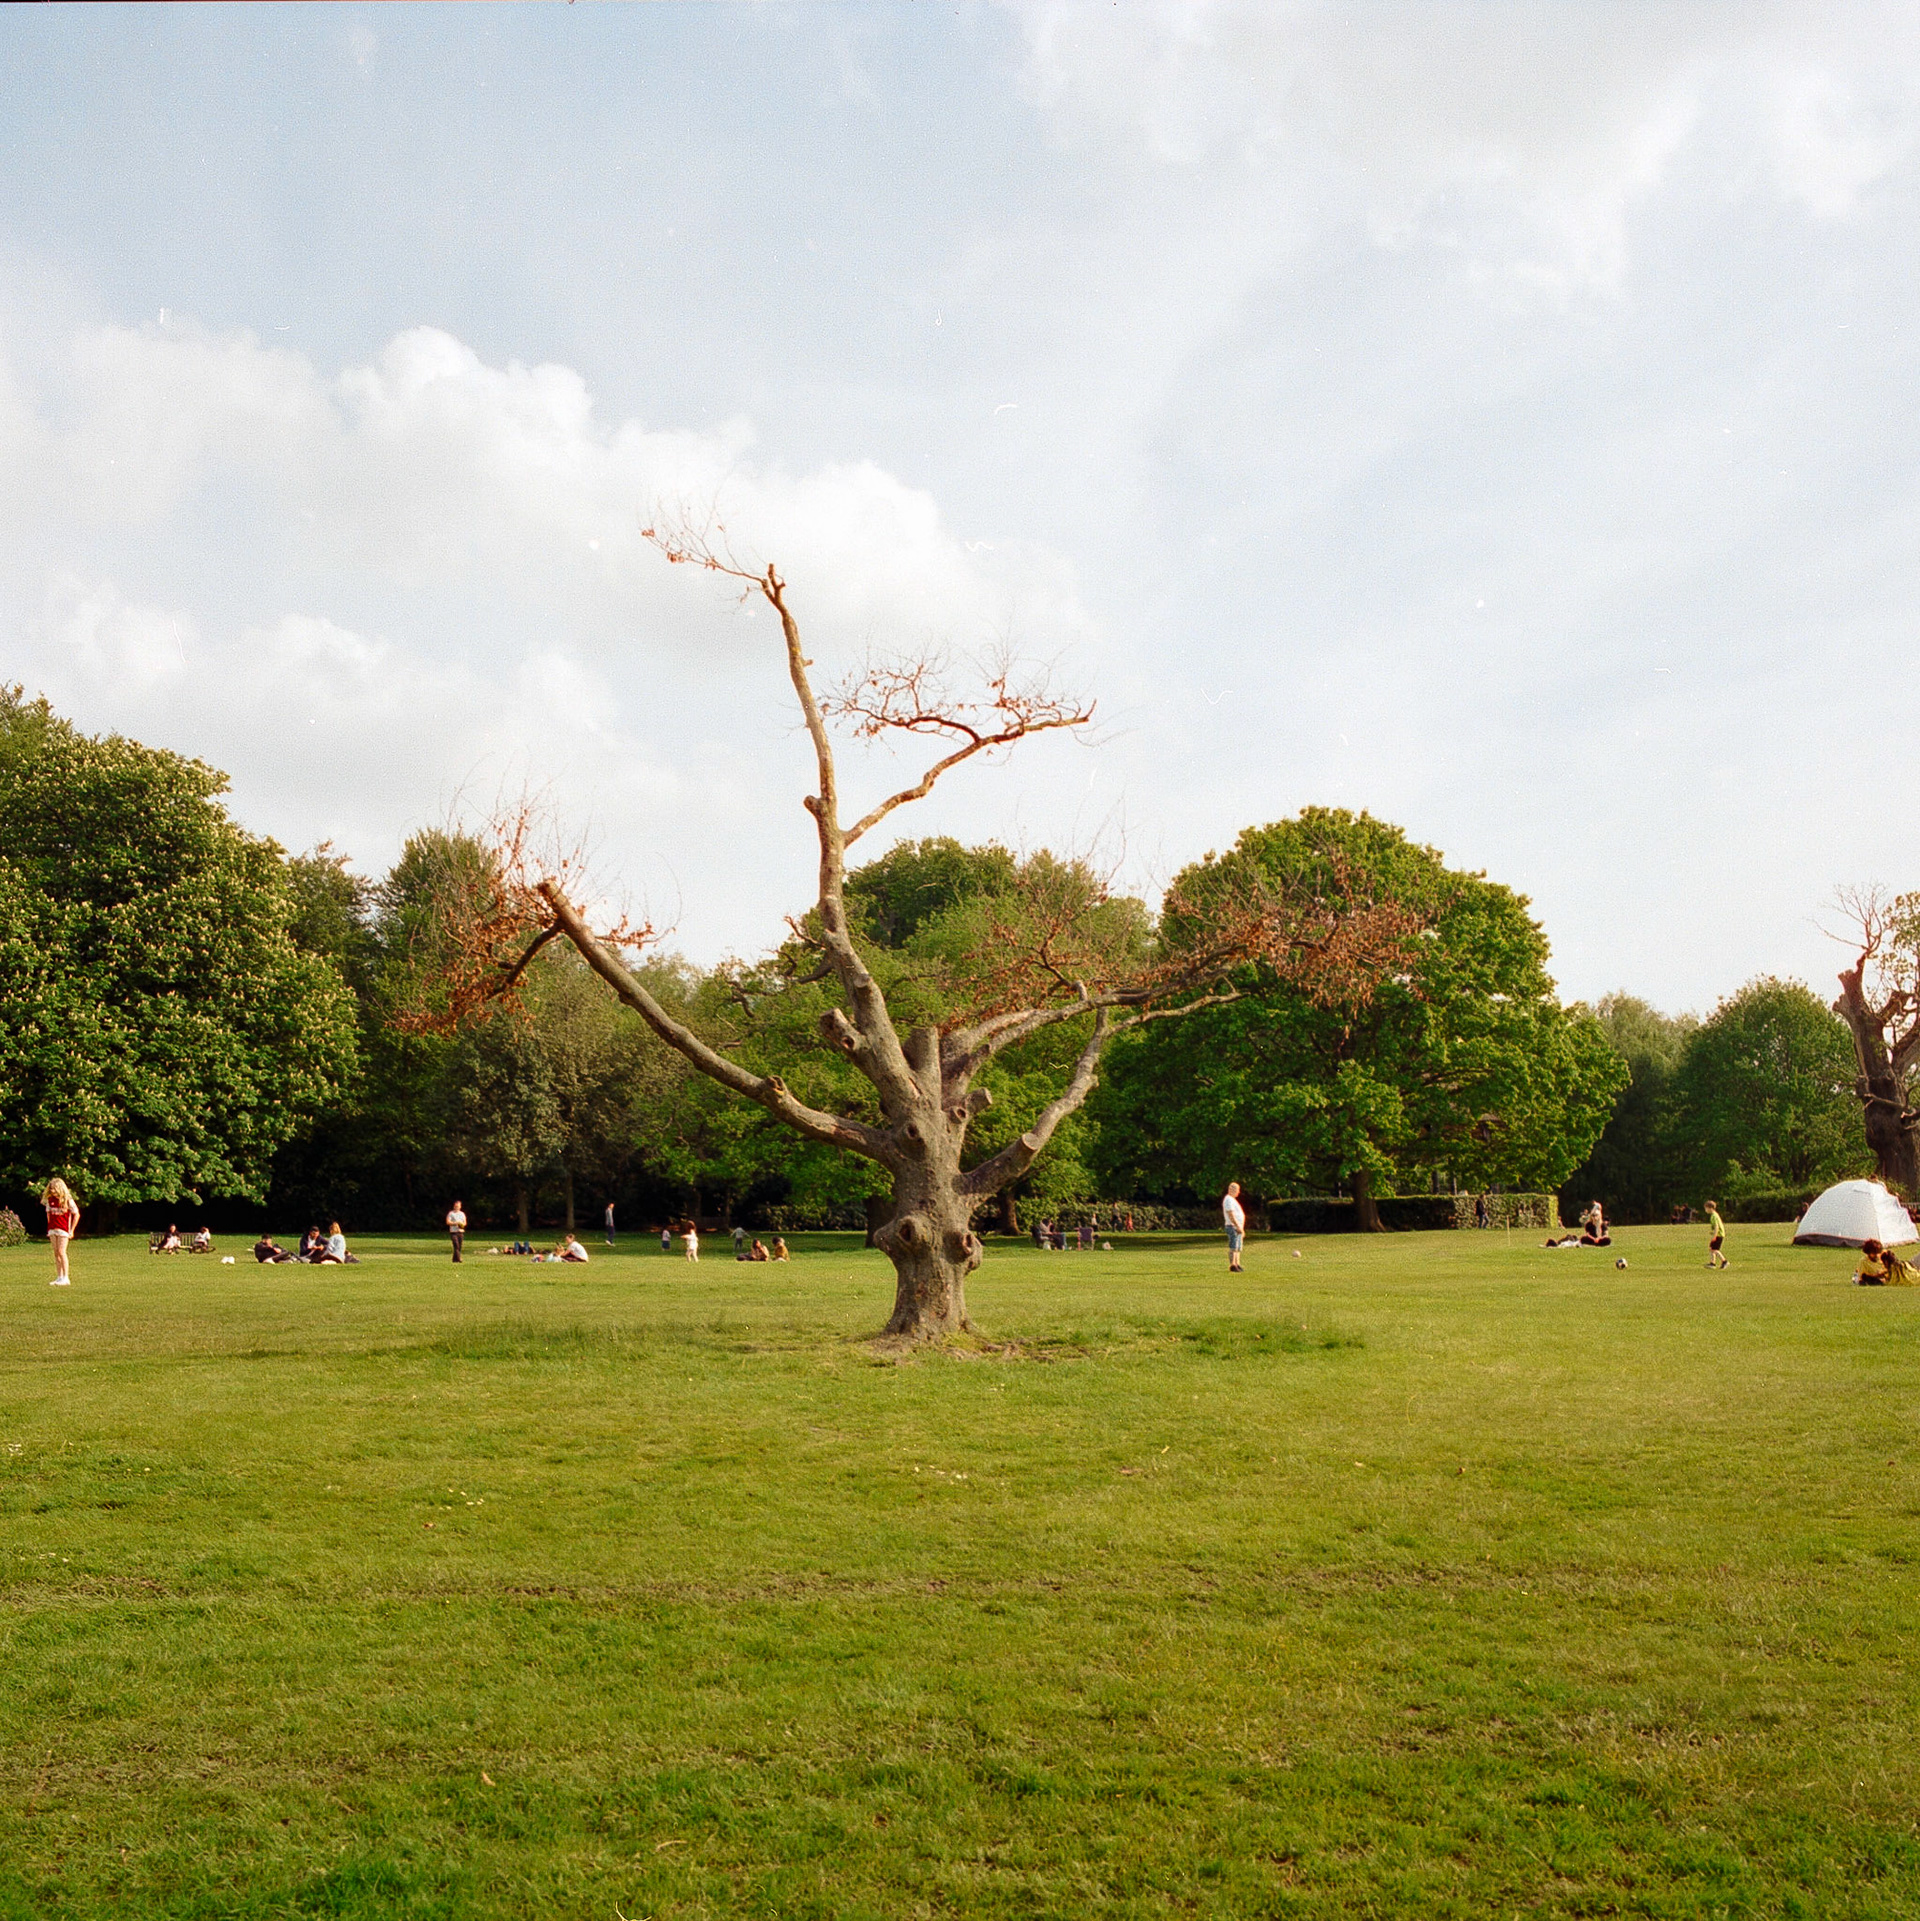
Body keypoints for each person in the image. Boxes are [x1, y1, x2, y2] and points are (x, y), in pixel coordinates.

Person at [43, 1178, 79, 1287]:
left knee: (62, 1252)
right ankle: (59, 1276)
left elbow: (76, 1214)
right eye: (51, 1188)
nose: (52, 1191)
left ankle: (66, 1277)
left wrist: (71, 1230)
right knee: (56, 1253)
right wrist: (49, 1227)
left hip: (63, 1229)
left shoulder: (67, 1200)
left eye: (54, 1188)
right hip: (53, 1229)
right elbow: (48, 1213)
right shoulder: (50, 1200)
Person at [1222, 1182, 1246, 1273]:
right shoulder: (1228, 1199)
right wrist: (1237, 1226)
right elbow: (1230, 1214)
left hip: (1237, 1226)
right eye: (1237, 1190)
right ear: (1232, 1189)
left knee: (1238, 1246)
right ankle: (1232, 1265)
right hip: (1232, 1226)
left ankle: (1237, 1264)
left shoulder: (1232, 1200)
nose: (1238, 1192)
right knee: (1234, 1246)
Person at [1705, 1198, 1728, 1270]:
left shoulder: (1714, 1216)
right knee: (1712, 1248)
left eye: (1706, 1208)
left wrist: (1714, 1236)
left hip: (1718, 1235)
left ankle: (1724, 1261)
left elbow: (1716, 1226)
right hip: (1718, 1234)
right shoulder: (1714, 1215)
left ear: (1710, 1208)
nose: (1705, 1210)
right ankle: (1712, 1263)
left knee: (1715, 1249)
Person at [446, 1200, 467, 1264]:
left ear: (460, 1207)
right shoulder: (451, 1213)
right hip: (453, 1232)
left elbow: (465, 1222)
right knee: (456, 1245)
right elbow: (448, 1222)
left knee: (459, 1246)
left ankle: (454, 1260)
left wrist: (462, 1225)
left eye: (458, 1206)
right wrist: (456, 1223)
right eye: (455, 1206)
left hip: (460, 1232)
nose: (456, 1207)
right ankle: (459, 1258)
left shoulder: (462, 1214)